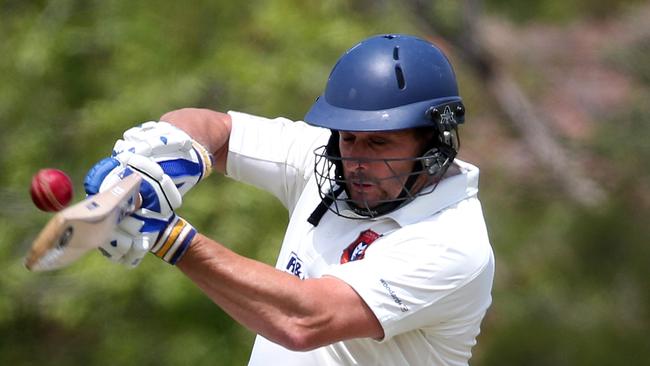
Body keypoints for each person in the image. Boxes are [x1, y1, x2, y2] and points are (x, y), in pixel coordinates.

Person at [85, 34, 495, 366]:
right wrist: (157, 165)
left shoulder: (452, 244)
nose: (356, 159)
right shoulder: (331, 160)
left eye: (379, 142)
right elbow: (215, 129)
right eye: (348, 138)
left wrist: (168, 236)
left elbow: (303, 320)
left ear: (433, 142)